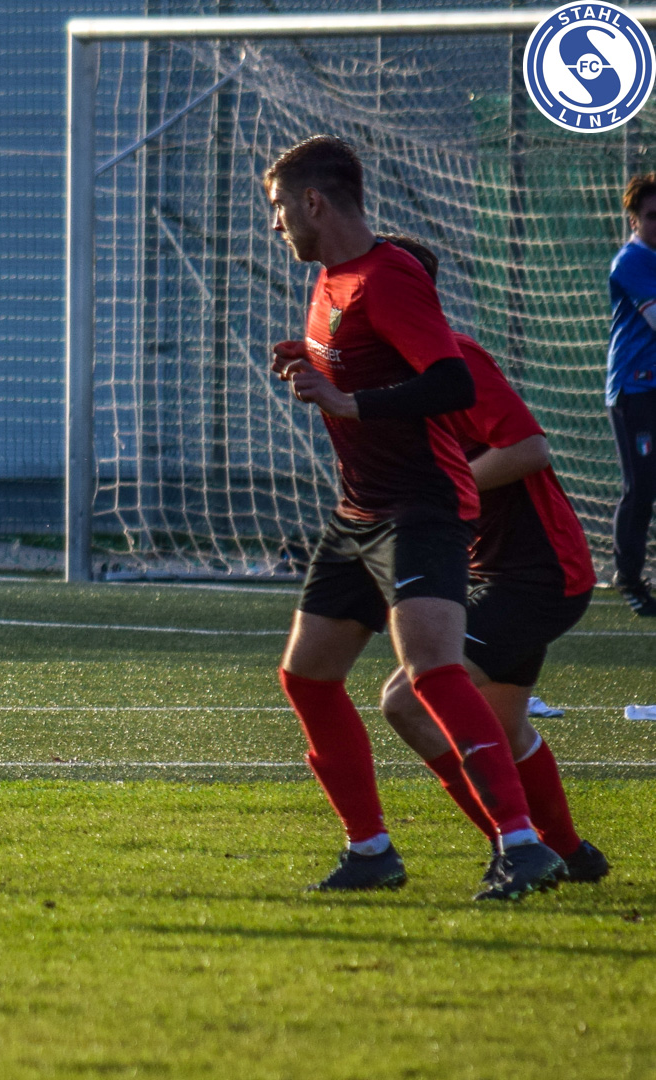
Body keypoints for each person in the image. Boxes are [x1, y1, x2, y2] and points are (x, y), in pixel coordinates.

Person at [265, 136, 561, 901]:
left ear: (314, 201)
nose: (275, 224)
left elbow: (451, 382)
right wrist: (310, 362)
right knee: (307, 677)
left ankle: (522, 845)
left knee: (432, 674)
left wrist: (346, 401)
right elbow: (364, 363)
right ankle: (370, 851)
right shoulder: (329, 280)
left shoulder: (388, 275)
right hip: (359, 509)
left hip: (421, 507)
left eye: (279, 207)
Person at [371, 235, 609, 886]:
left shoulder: (458, 362)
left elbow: (529, 448)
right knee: (504, 726)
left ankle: (519, 848)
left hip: (540, 573)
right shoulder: (393, 379)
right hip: (496, 571)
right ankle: (570, 853)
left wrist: (441, 491)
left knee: (405, 701)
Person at [606, 173, 656, 616]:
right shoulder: (632, 261)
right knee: (641, 488)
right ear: (634, 220)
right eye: (652, 216)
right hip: (635, 390)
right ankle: (629, 578)